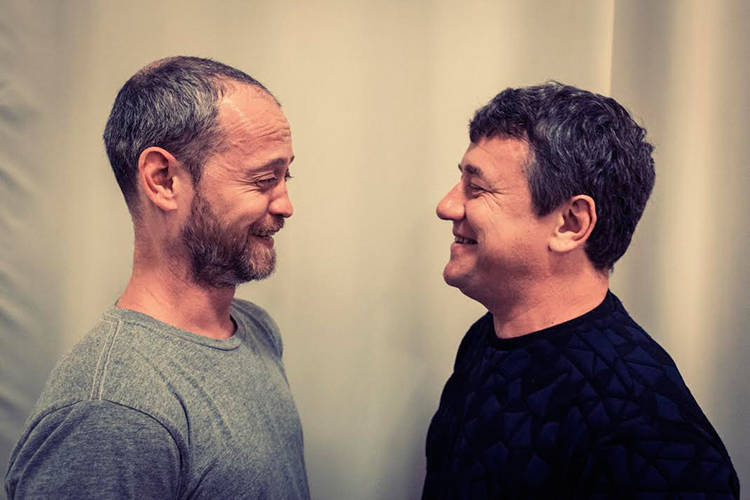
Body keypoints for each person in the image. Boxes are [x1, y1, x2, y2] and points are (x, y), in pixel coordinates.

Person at [5, 57, 309, 499]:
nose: (286, 205)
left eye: (286, 176)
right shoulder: (110, 412)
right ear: (163, 180)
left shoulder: (257, 329)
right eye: (264, 180)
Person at [423, 82, 739, 499]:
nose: (446, 205)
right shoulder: (485, 339)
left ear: (571, 224)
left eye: (477, 188)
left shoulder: (647, 431)